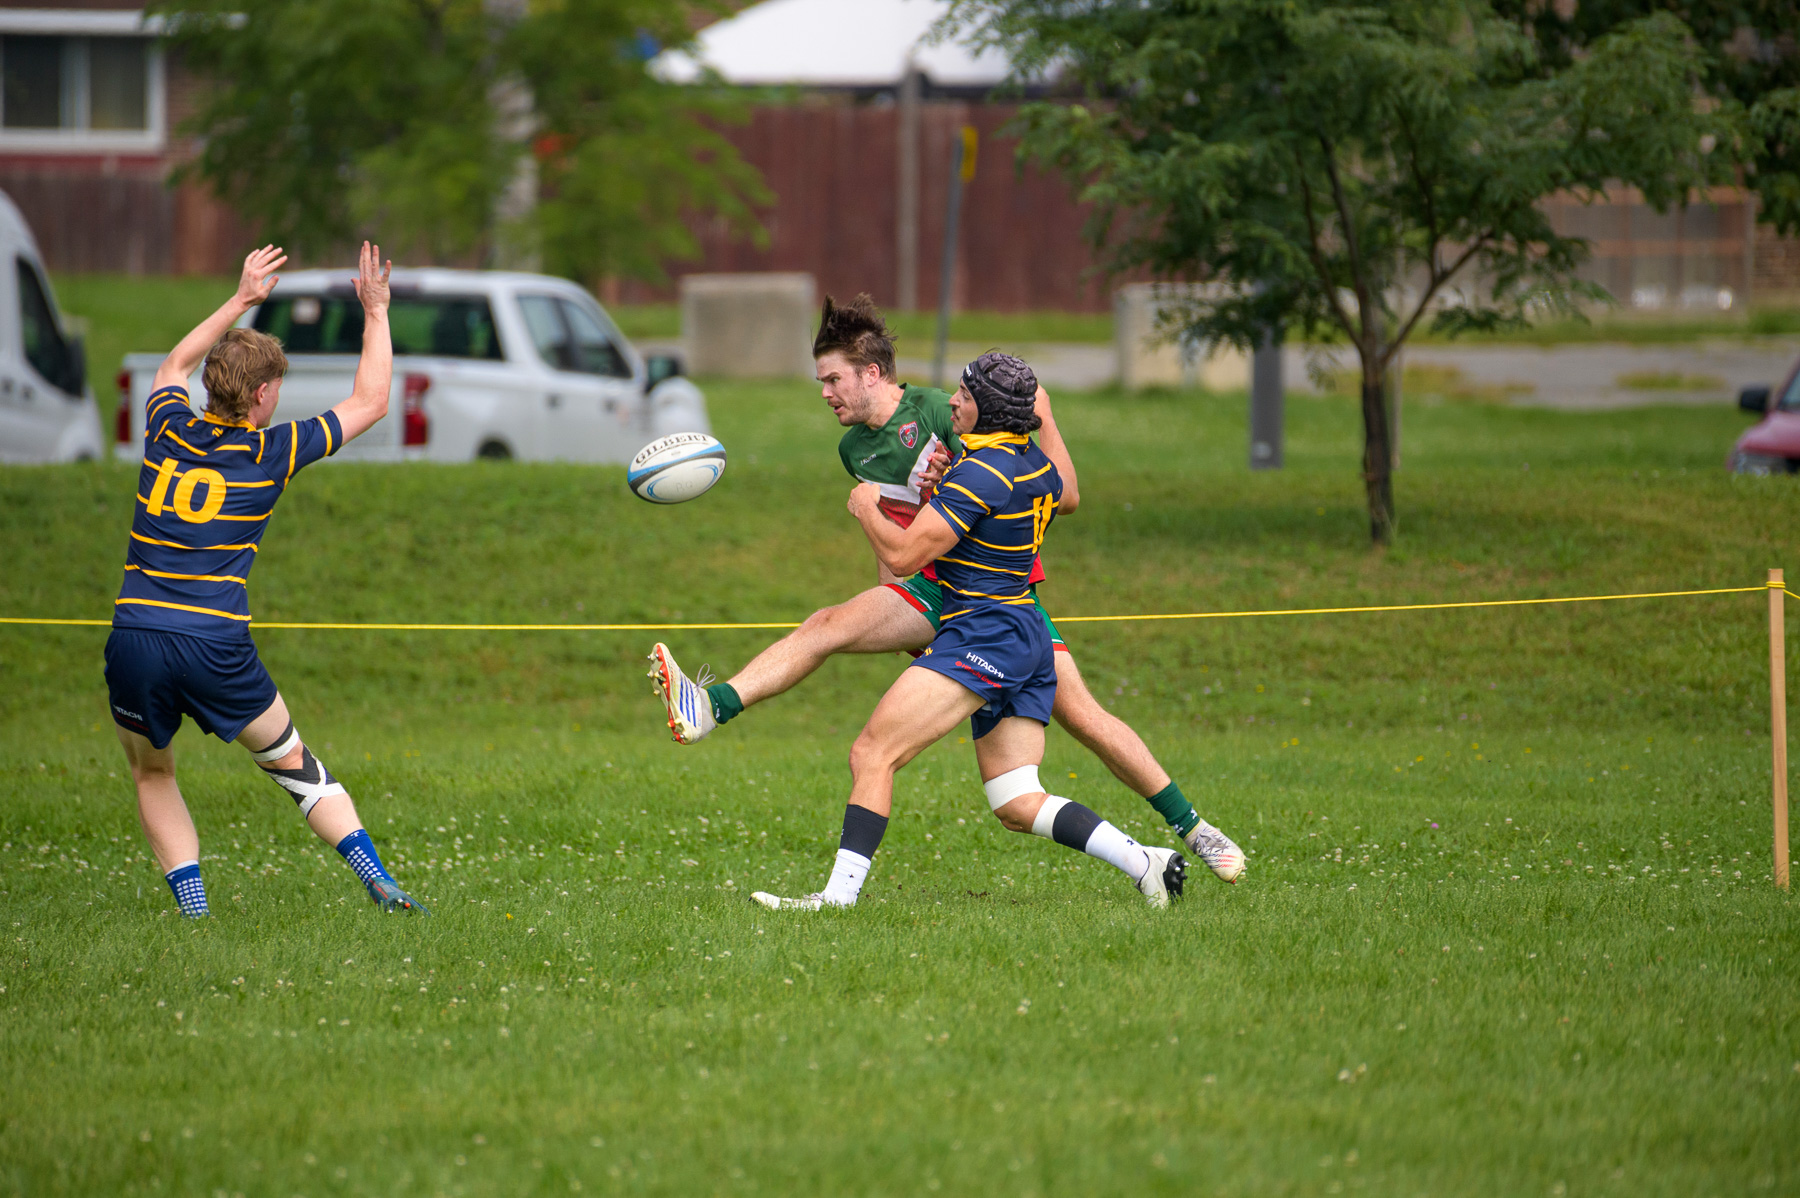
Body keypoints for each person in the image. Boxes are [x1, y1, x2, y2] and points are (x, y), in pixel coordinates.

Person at [649, 294, 1244, 882]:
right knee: (826, 625)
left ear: (871, 373)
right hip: (930, 588)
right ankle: (711, 707)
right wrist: (897, 608)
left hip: (995, 598)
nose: (825, 393)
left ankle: (1195, 830)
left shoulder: (942, 411)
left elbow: (1028, 486)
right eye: (821, 381)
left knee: (1084, 718)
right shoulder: (855, 449)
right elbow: (896, 540)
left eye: (833, 379)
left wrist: (1022, 429)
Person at [749, 353, 1186, 910]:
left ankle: (836, 900)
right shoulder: (1029, 463)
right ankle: (1144, 862)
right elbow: (1055, 494)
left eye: (964, 394)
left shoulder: (980, 474)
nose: (951, 401)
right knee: (1016, 799)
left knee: (873, 752)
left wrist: (866, 507)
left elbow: (903, 557)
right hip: (1024, 634)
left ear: (989, 409)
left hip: (983, 635)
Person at [105, 243, 425, 917]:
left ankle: (195, 913)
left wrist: (242, 298)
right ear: (259, 396)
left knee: (153, 772)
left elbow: (172, 365)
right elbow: (371, 401)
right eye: (275, 388)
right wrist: (375, 311)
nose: (278, 398)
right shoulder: (271, 451)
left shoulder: (165, 428)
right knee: (293, 765)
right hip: (214, 643)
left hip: (136, 634)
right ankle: (377, 878)